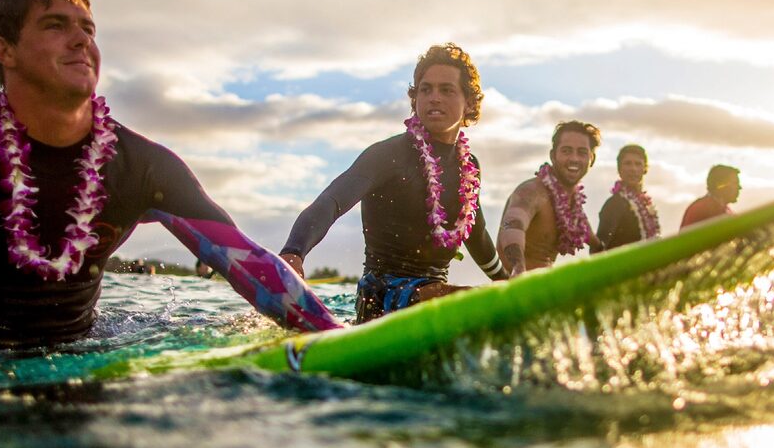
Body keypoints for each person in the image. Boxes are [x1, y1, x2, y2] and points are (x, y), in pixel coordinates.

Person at [0, 0, 338, 354]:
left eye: (87, 29)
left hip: (79, 360)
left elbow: (250, 266)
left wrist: (334, 332)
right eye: (56, 25)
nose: (81, 41)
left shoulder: (142, 167)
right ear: (3, 49)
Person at [279, 43, 506, 323]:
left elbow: (477, 234)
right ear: (415, 99)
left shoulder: (469, 168)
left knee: (472, 298)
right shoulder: (387, 156)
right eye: (426, 89)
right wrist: (294, 253)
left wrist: (506, 282)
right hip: (381, 297)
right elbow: (331, 201)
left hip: (438, 296)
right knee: (470, 300)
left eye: (446, 90)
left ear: (469, 102)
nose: (434, 98)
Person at [498, 121, 602, 276]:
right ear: (553, 155)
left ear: (591, 159)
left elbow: (596, 245)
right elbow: (512, 225)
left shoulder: (574, 208)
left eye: (582, 152)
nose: (574, 158)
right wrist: (518, 268)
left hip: (549, 289)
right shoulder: (531, 191)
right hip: (515, 289)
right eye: (566, 151)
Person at [596, 144, 660, 251]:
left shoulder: (646, 204)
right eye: (627, 163)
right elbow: (601, 248)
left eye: (638, 164)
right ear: (619, 169)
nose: (633, 169)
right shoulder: (614, 204)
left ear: (645, 169)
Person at [680, 164, 740, 228]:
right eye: (735, 183)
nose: (739, 187)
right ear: (720, 185)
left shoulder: (728, 211)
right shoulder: (700, 209)